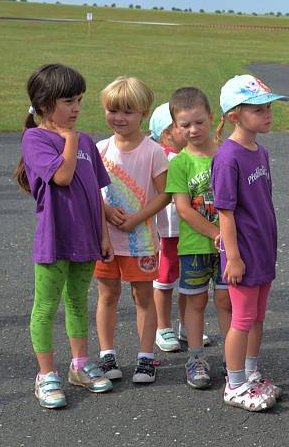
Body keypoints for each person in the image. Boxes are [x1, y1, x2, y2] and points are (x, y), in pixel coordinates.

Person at [13, 63, 114, 408]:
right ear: (44, 104)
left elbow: (97, 193)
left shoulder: (86, 140)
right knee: (45, 306)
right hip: (54, 241)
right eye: (69, 101)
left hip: (86, 239)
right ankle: (46, 375)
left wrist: (104, 235)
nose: (76, 109)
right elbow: (63, 177)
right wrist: (69, 140)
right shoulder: (36, 139)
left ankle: (80, 365)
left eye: (79, 101)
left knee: (77, 302)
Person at [213, 75, 286, 411]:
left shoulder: (261, 151)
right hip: (242, 253)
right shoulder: (228, 157)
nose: (268, 114)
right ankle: (235, 381)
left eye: (269, 107)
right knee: (242, 319)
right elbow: (225, 213)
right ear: (234, 115)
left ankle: (252, 372)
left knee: (257, 317)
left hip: (262, 249)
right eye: (259, 109)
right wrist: (233, 258)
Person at [94, 77, 170, 384]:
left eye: (127, 111)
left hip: (141, 241)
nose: (119, 118)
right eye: (112, 110)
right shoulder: (100, 149)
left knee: (143, 298)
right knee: (107, 295)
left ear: (143, 113)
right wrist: (107, 211)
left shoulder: (153, 152)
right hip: (106, 240)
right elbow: (91, 192)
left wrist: (138, 217)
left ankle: (145, 357)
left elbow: (166, 194)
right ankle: (106, 354)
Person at [165, 87, 232, 389]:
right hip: (194, 247)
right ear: (175, 127)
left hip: (228, 247)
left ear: (211, 118)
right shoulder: (180, 163)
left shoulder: (228, 155)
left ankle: (234, 358)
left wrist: (227, 237)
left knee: (226, 301)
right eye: (185, 125)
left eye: (199, 122)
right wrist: (216, 233)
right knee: (195, 303)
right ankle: (195, 358)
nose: (193, 130)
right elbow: (183, 208)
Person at [149, 103, 198, 352]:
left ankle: (187, 325)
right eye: (182, 126)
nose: (190, 131)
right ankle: (162, 327)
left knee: (189, 281)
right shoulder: (162, 157)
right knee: (164, 280)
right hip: (167, 231)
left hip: (190, 230)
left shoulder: (192, 154)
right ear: (167, 132)